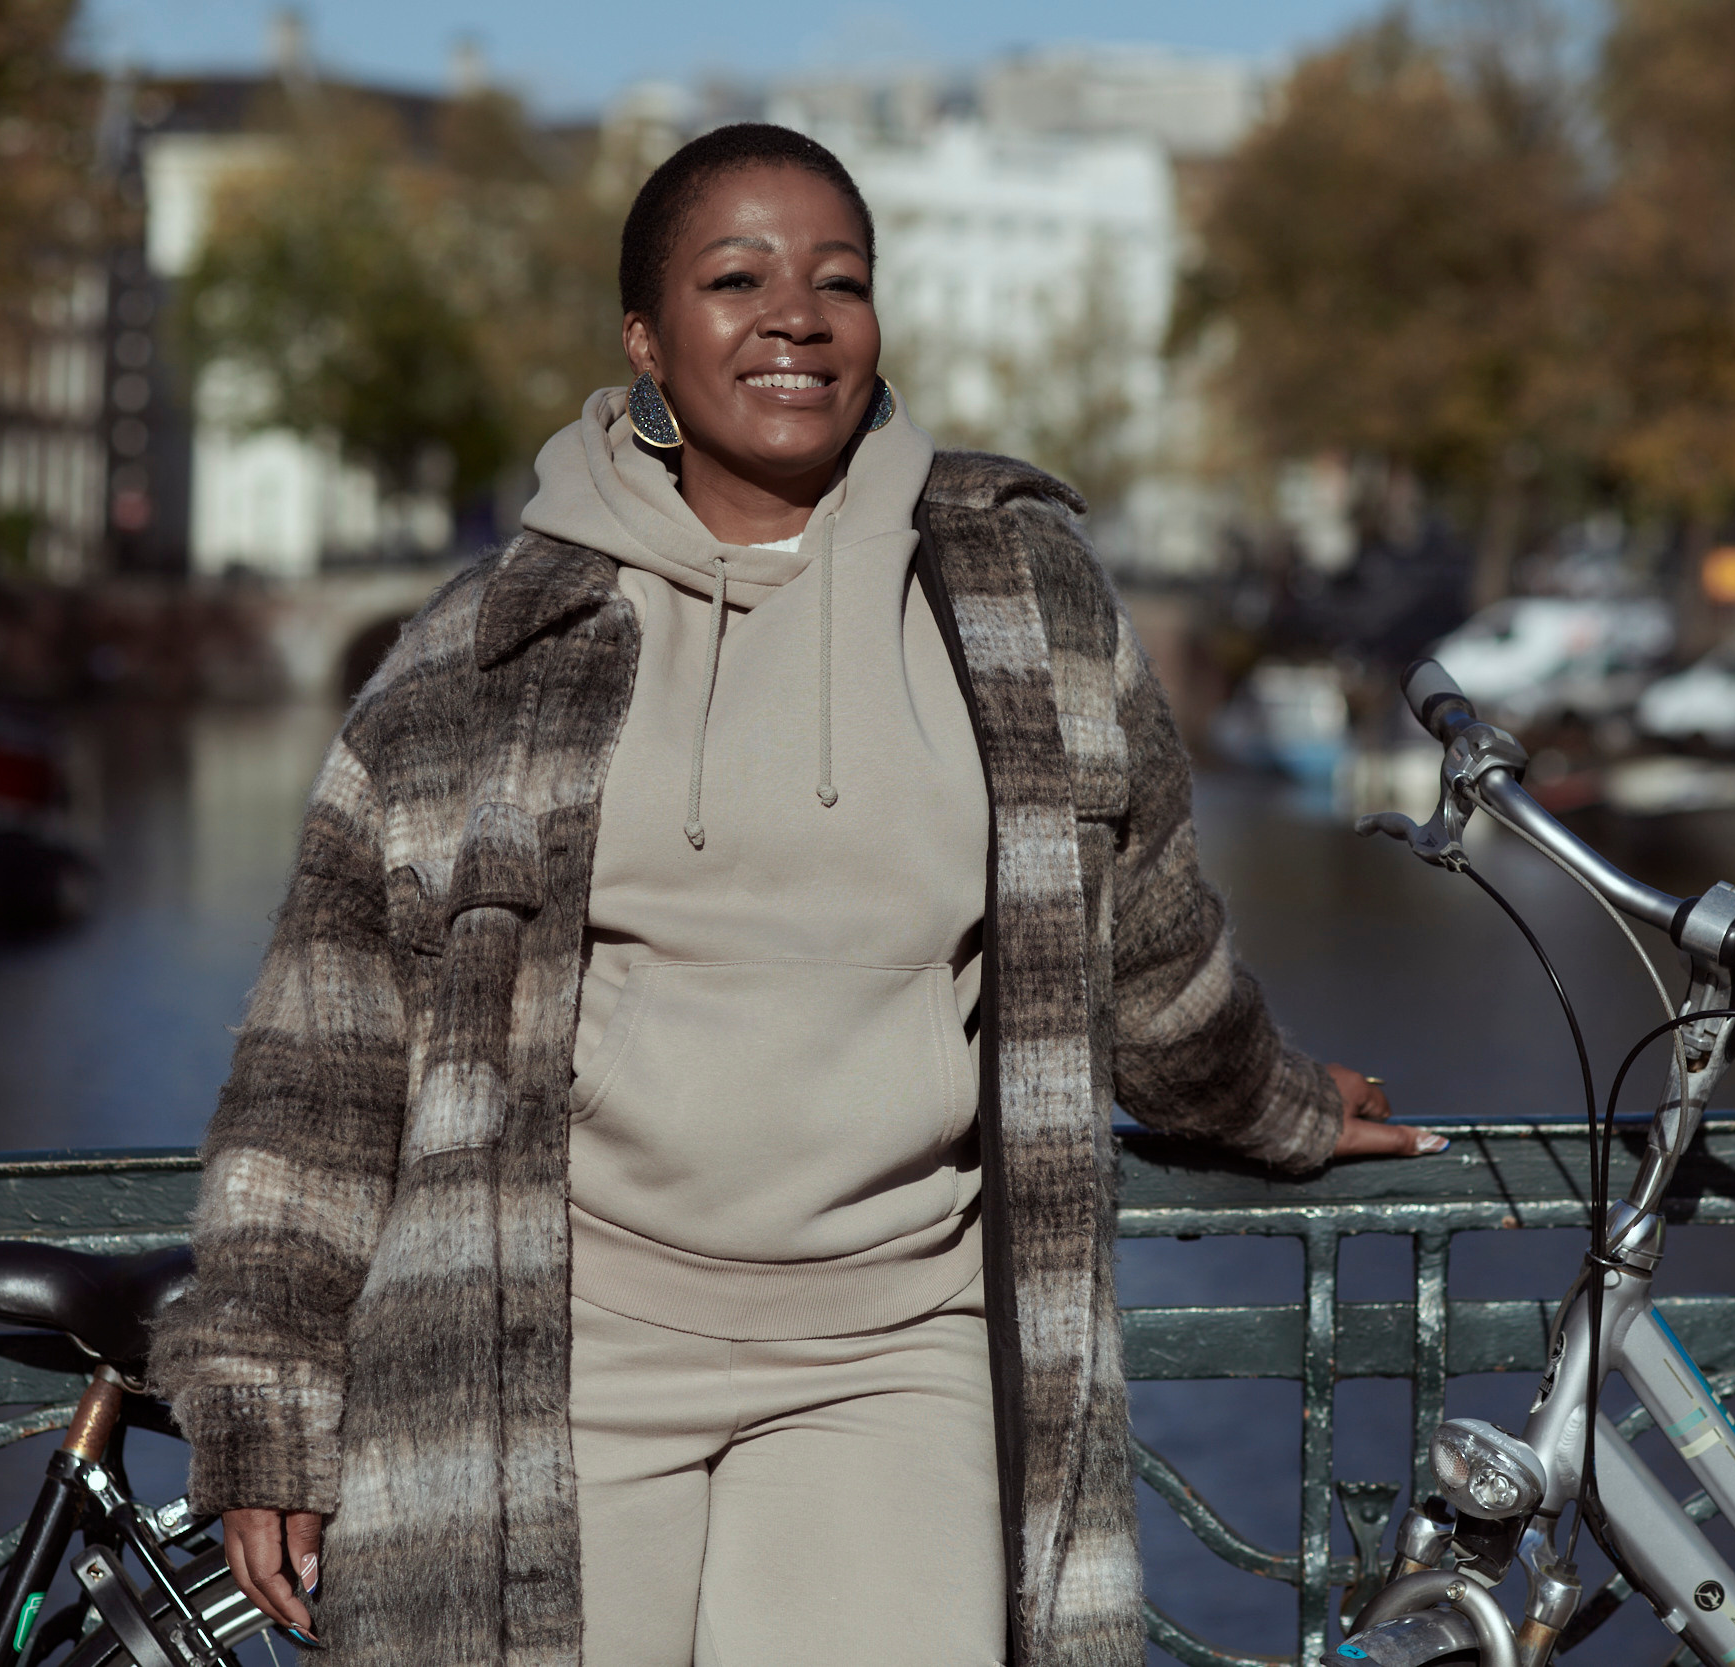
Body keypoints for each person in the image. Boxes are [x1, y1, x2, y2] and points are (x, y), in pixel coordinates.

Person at [150, 121, 1442, 1667]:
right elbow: (324, 1061)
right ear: (645, 335)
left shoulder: (1020, 602)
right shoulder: (485, 649)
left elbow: (1147, 957)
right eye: (736, 279)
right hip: (550, 1366)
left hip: (893, 1357)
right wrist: (265, 1399)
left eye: (841, 280)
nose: (797, 317)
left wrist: (1280, 1106)